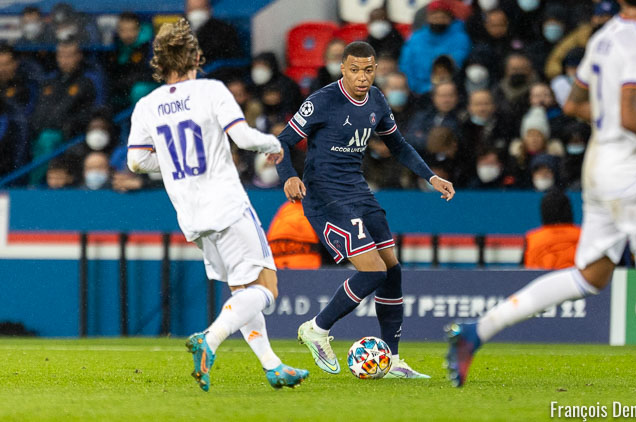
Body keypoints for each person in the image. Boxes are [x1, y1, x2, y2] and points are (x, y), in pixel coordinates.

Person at [446, 1, 636, 419]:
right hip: (634, 170)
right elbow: (634, 118)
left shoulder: (602, 39)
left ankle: (477, 330)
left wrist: (617, 123)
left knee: (591, 275)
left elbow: (575, 105)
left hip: (600, 167)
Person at [126, 19, 308, 391]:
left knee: (244, 291)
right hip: (226, 203)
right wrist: (274, 144)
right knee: (267, 289)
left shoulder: (147, 104)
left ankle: (272, 365)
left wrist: (177, 166)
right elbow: (241, 136)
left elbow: (135, 162)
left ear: (159, 62)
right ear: (195, 55)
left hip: (191, 216)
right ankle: (209, 338)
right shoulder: (210, 90)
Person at [276, 41, 454, 378]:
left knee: (392, 270)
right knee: (373, 272)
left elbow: (397, 144)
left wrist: (431, 176)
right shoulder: (322, 101)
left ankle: (394, 360)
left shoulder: (376, 100)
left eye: (368, 70)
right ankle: (317, 328)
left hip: (358, 191)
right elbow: (283, 141)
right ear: (342, 68)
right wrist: (288, 177)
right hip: (325, 197)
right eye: (355, 69)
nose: (362, 77)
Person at [398, 0, 471, 95]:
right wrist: (417, 88)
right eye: (435, 17)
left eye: (443, 17)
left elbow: (458, 62)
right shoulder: (416, 38)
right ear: (428, 18)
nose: (439, 20)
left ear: (450, 18)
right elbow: (406, 65)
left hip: (449, 92)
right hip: (418, 93)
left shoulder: (460, 38)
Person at [522, 188, 581, 269]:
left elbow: (521, 272)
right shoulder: (583, 235)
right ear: (569, 210)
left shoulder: (531, 238)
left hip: (540, 280)